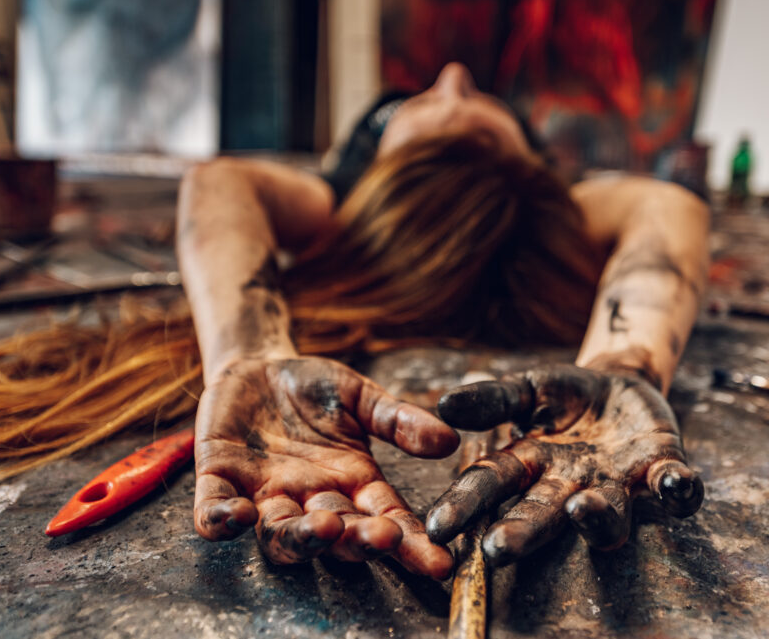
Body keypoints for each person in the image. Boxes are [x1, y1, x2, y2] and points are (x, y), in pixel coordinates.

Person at [178, 62, 710, 579]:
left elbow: (219, 182)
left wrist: (619, 374)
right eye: (422, 103)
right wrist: (626, 359)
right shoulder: (354, 209)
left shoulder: (337, 206)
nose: (453, 75)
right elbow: (666, 205)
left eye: (471, 103)